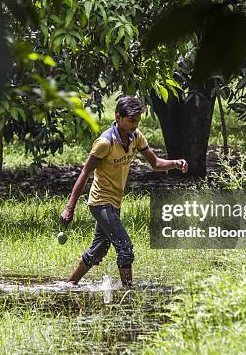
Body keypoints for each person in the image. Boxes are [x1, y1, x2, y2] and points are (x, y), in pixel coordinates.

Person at [59, 96, 188, 287]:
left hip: (115, 202)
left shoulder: (136, 137)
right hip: (100, 202)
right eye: (131, 120)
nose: (135, 125)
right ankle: (128, 293)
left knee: (99, 249)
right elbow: (85, 173)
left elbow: (155, 163)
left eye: (137, 121)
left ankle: (69, 284)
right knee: (125, 247)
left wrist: (175, 163)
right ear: (118, 117)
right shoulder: (105, 142)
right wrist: (69, 208)